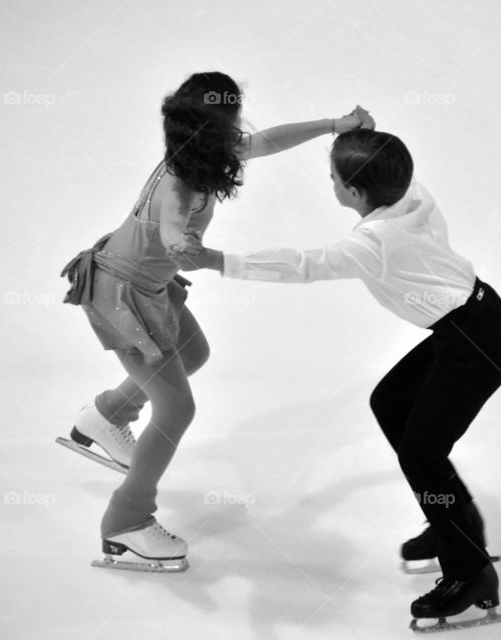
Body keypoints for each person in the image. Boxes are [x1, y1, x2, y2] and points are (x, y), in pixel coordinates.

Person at [170, 129, 501, 625]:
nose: (330, 182)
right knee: (391, 404)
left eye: (334, 177)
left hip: (476, 344)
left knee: (422, 454)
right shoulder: (414, 193)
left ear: (354, 194)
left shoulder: (372, 243)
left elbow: (305, 266)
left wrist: (219, 261)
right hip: (481, 322)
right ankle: (456, 521)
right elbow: (385, 167)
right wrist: (362, 137)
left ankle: (470, 572)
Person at [59, 71, 374, 571]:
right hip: (122, 295)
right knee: (176, 409)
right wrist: (180, 244)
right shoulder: (183, 179)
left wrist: (336, 124)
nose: (239, 131)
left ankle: (107, 415)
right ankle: (124, 523)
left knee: (195, 354)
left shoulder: (206, 155)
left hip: (148, 287)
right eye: (231, 120)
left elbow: (269, 141)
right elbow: (171, 221)